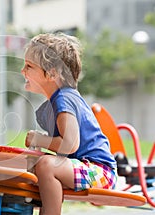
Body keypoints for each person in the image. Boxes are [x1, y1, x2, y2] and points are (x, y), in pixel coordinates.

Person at [21, 33, 117, 215]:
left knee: (46, 165)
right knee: (34, 162)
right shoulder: (58, 100)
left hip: (99, 171)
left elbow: (70, 144)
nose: (22, 71)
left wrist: (40, 139)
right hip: (82, 167)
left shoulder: (64, 98)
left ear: (52, 73)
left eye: (29, 66)